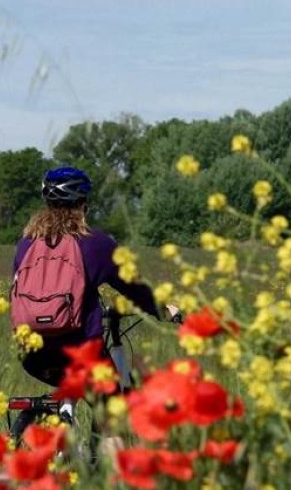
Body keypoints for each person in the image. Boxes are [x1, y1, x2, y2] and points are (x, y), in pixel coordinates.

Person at [13, 166, 180, 399]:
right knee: (114, 408)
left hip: (33, 354)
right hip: (82, 352)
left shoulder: (26, 244)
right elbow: (134, 288)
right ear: (82, 205)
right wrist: (163, 310)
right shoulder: (96, 243)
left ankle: (52, 416)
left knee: (69, 390)